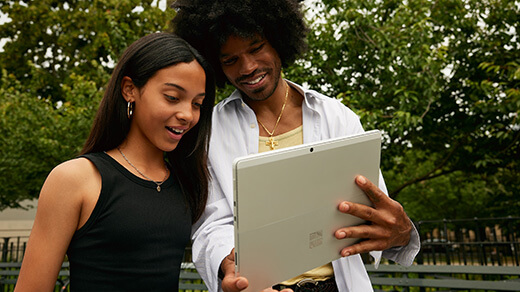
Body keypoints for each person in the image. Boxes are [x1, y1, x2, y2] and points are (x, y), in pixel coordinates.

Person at [171, 1, 421, 292]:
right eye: (230, 60)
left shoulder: (338, 117)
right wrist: (227, 265)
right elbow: (212, 225)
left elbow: (376, 217)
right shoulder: (209, 132)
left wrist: (402, 233)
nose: (248, 67)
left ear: (279, 40)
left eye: (256, 48)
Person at [14, 33, 215, 291]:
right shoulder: (76, 178)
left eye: (197, 104)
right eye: (172, 97)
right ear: (130, 89)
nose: (187, 115)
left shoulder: (188, 182)